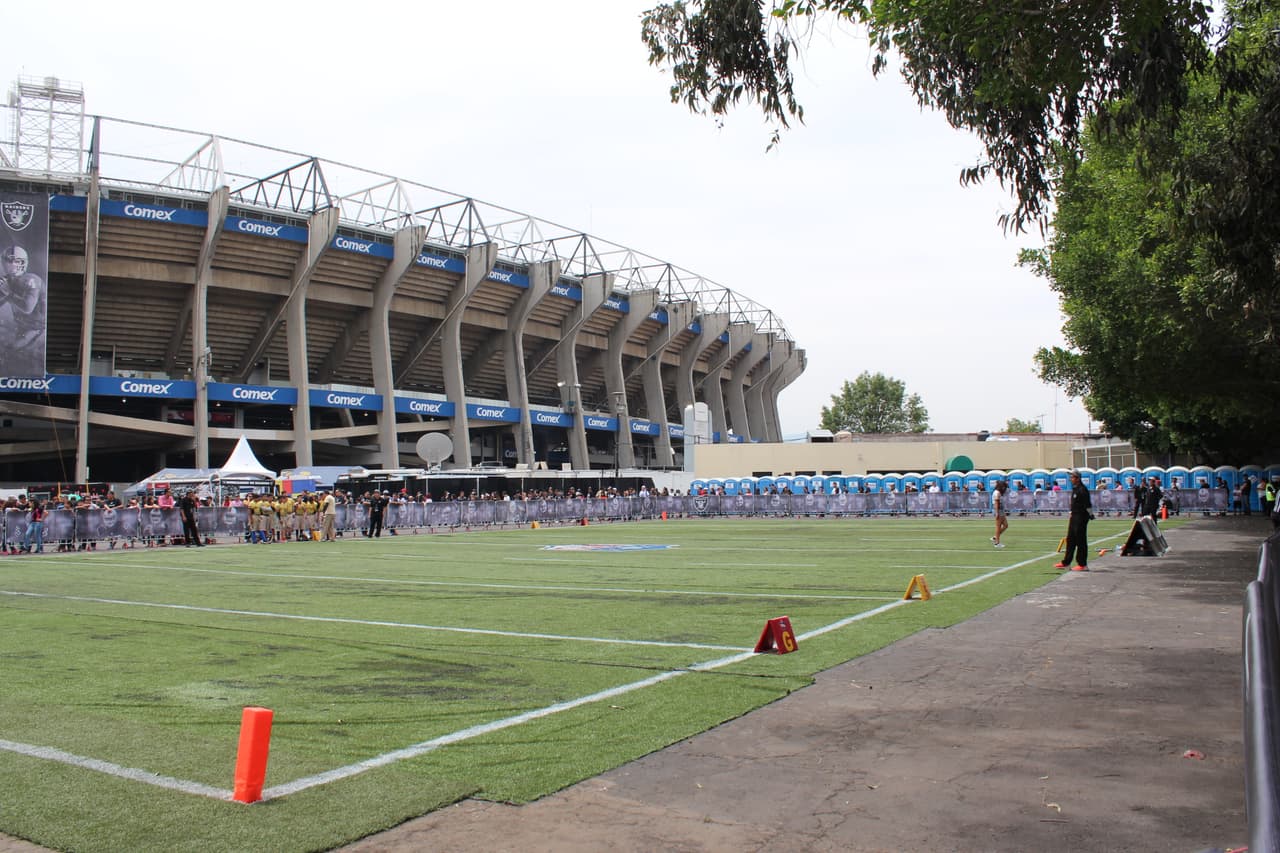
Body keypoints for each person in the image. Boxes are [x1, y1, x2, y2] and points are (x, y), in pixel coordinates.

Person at [0, 245, 47, 377]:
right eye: (8, 260)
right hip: (21, 327)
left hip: (37, 328)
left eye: (15, 261)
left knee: (11, 353)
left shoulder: (31, 280)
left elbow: (27, 308)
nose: (10, 264)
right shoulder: (7, 280)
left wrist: (8, 292)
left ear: (22, 263)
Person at [1055, 471, 1092, 571]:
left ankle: (1082, 564)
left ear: (1077, 478)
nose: (1071, 479)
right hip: (1074, 517)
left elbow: (1088, 504)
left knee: (1080, 541)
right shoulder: (1075, 489)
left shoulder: (1082, 490)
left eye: (1072, 477)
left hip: (1081, 517)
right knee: (1070, 540)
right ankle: (1066, 562)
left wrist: (1091, 514)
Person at [990, 480, 1008, 548]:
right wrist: (997, 512)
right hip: (998, 511)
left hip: (1001, 510)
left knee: (1006, 525)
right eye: (1003, 487)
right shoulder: (997, 493)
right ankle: (997, 543)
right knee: (998, 526)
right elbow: (996, 503)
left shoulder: (998, 492)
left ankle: (995, 537)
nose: (1004, 488)